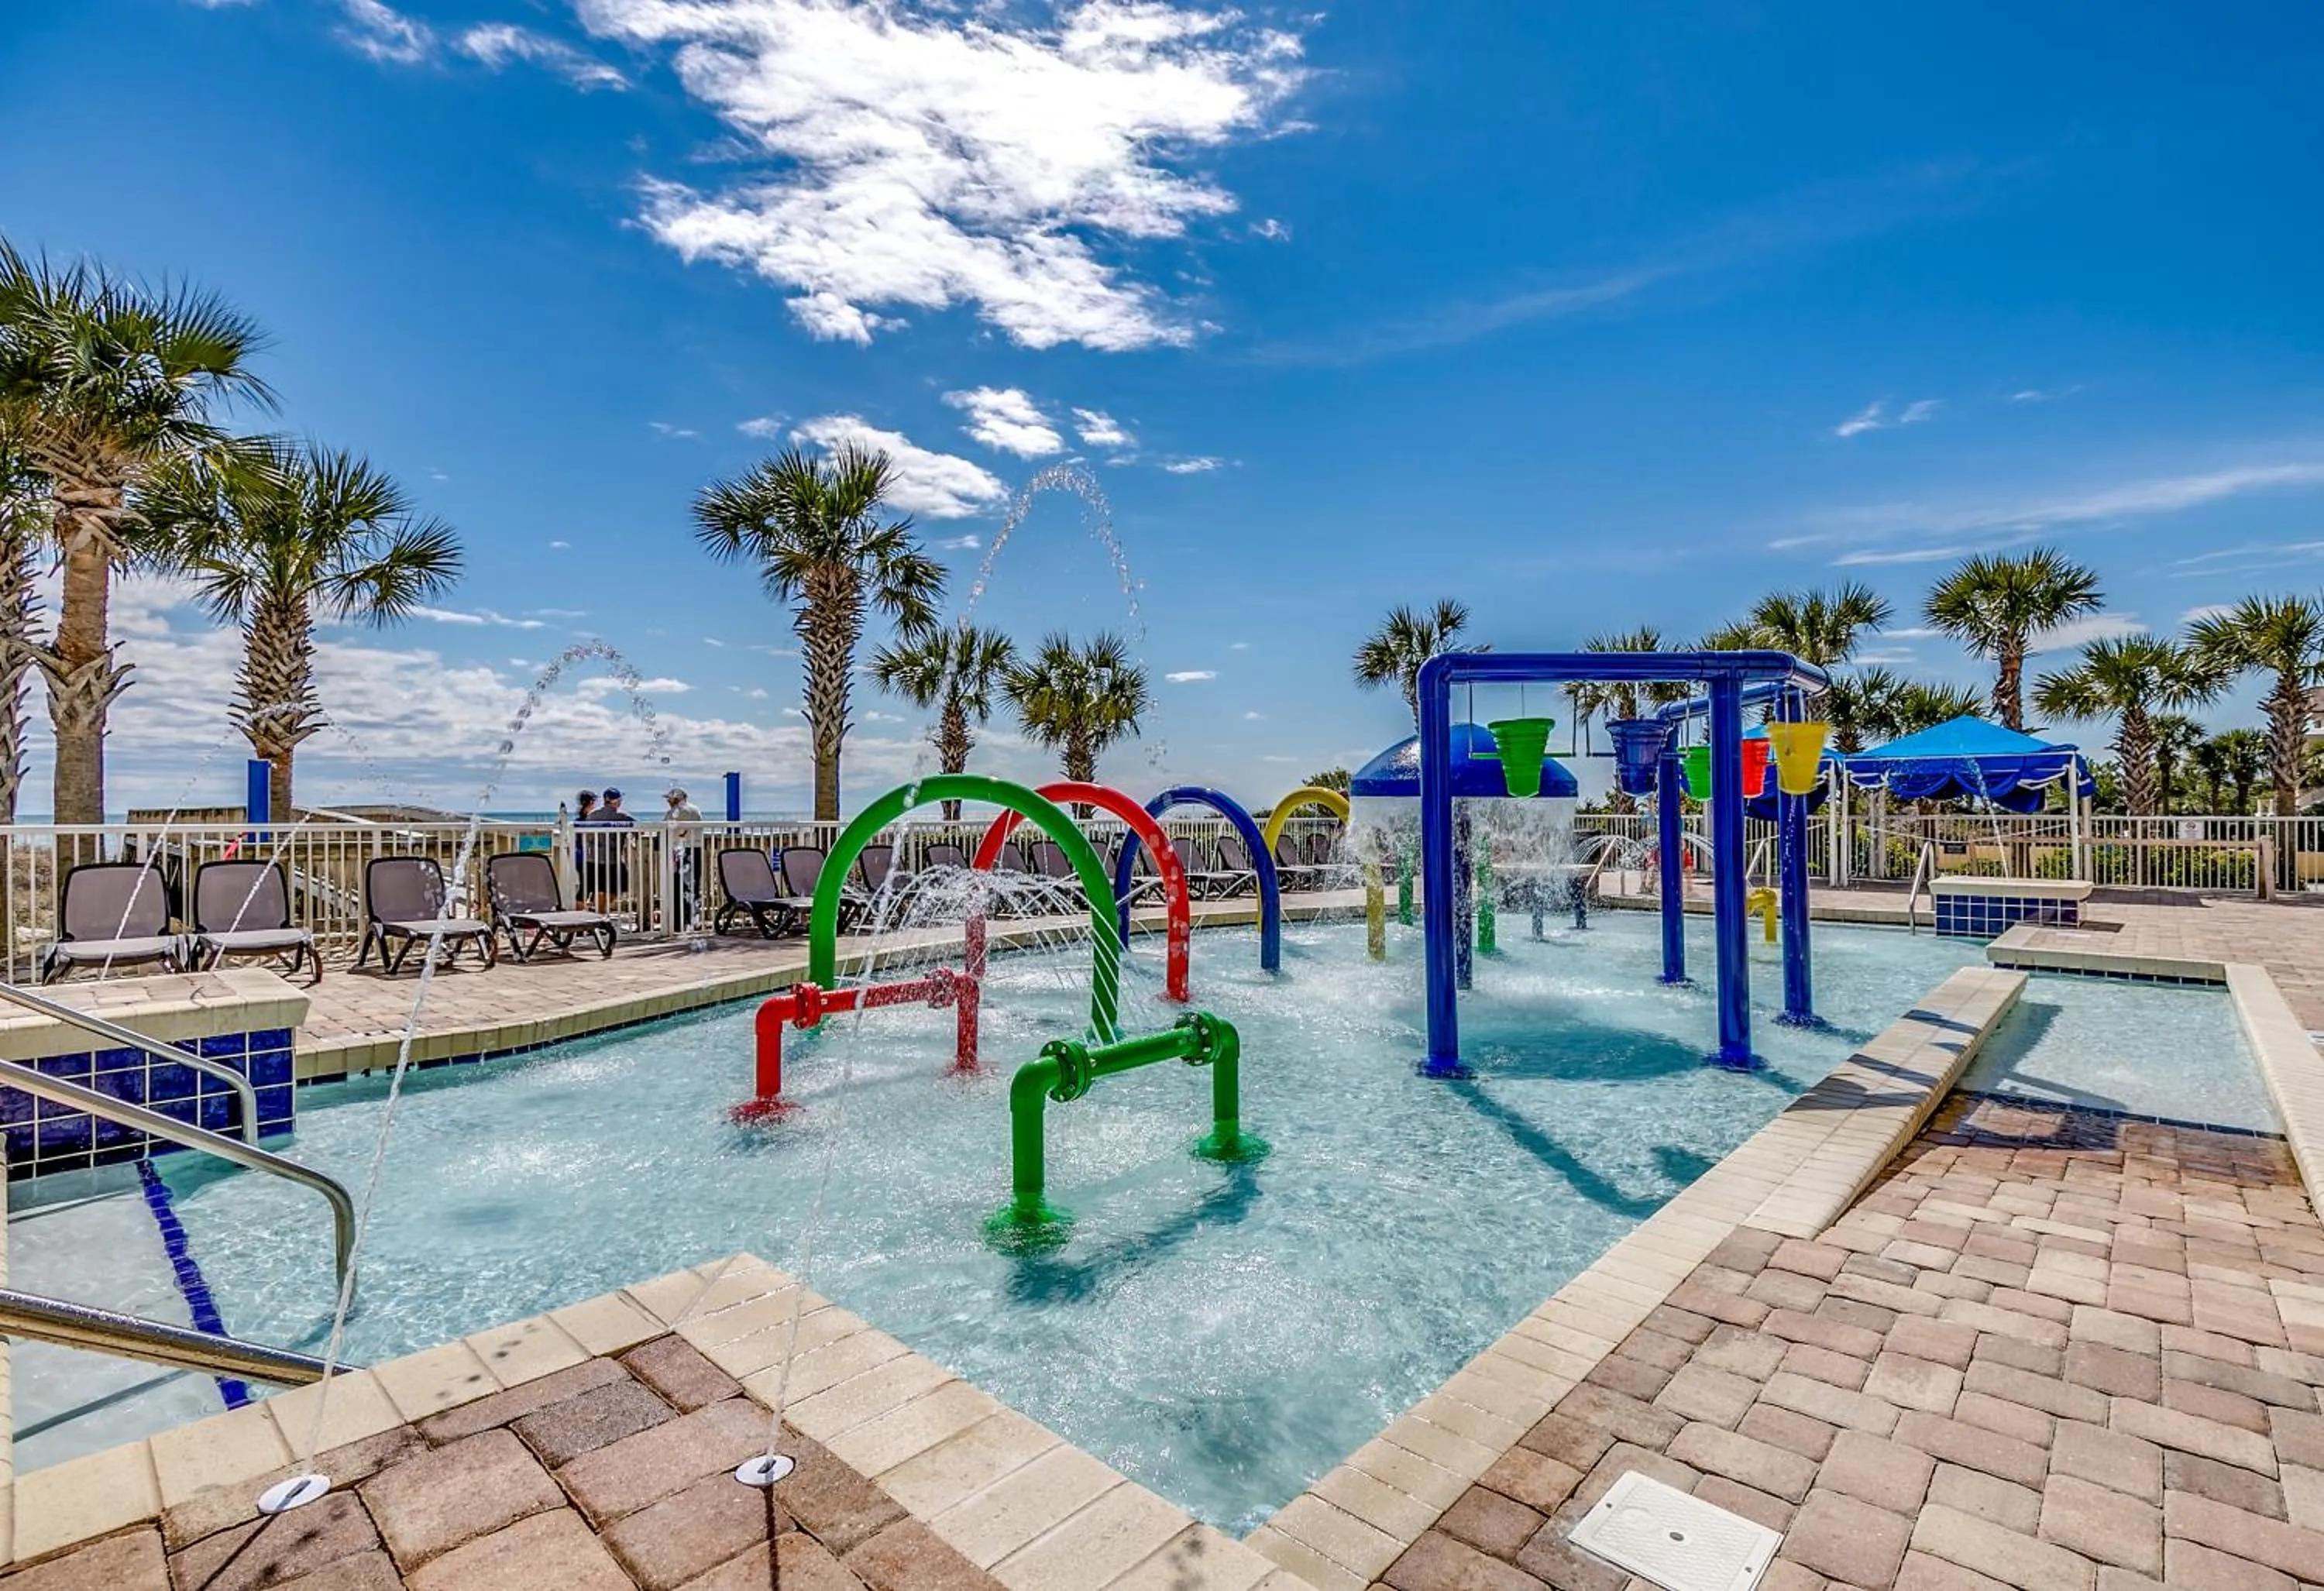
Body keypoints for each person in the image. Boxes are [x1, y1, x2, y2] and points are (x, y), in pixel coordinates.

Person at [586, 787, 636, 912]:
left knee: (599, 888)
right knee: (620, 886)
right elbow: (639, 828)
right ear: (616, 801)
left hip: (593, 859)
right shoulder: (622, 816)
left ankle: (599, 911)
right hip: (613, 860)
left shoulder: (592, 815)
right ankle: (601, 911)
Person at [665, 786, 703, 930]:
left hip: (680, 851)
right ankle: (694, 920)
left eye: (669, 799)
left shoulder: (675, 812)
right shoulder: (696, 810)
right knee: (694, 886)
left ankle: (680, 922)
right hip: (696, 849)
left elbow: (666, 830)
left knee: (678, 887)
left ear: (675, 799)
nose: (668, 802)